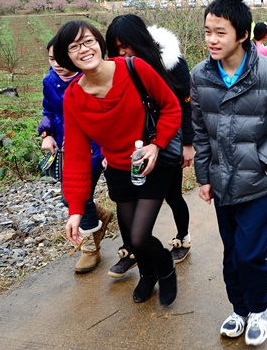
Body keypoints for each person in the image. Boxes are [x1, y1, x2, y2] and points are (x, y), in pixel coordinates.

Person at [191, 0, 267, 346]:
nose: (212, 39)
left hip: (260, 183)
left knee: (250, 253)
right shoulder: (200, 75)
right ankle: (239, 309)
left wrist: (261, 159)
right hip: (223, 183)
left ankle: (260, 308)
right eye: (208, 31)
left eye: (220, 32)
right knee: (231, 253)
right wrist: (204, 176)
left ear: (242, 34)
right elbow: (199, 130)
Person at [56, 20, 181, 306]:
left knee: (138, 236)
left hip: (152, 162)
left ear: (99, 43)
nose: (84, 49)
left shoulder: (134, 68)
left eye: (88, 41)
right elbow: (75, 156)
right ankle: (147, 276)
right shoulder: (74, 98)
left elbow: (171, 107)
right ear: (67, 57)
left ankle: (165, 267)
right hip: (119, 169)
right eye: (74, 46)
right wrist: (75, 210)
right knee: (129, 233)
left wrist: (156, 144)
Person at [104, 14, 195, 279]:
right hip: (132, 146)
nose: (122, 52)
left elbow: (184, 106)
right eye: (116, 48)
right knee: (127, 200)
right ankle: (132, 250)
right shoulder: (116, 68)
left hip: (167, 141)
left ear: (139, 41)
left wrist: (188, 145)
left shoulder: (171, 63)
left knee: (172, 194)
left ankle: (183, 237)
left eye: (126, 46)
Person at [38, 37, 108, 274]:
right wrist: (46, 133)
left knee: (79, 197)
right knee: (73, 198)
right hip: (67, 147)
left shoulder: (90, 78)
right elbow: (48, 109)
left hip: (94, 146)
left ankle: (90, 249)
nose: (56, 64)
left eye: (60, 58)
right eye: (51, 58)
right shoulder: (50, 81)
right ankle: (100, 217)